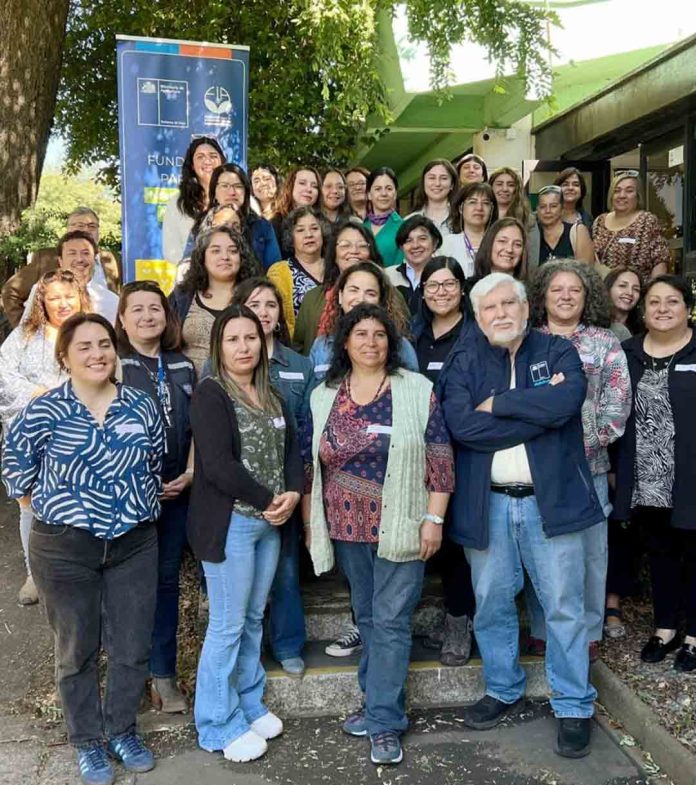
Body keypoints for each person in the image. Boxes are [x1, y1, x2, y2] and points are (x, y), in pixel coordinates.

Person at [438, 272, 603, 758]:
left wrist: (502, 405)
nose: (501, 314)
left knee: (564, 608)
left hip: (549, 503)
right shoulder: (465, 358)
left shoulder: (556, 352)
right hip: (487, 503)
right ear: (478, 316)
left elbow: (566, 401)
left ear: (527, 307)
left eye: (509, 303)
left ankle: (573, 705)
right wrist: (536, 419)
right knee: (490, 603)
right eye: (490, 308)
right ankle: (502, 687)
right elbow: (462, 425)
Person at [2, 313, 165, 784]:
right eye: (84, 347)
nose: (97, 354)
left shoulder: (141, 404)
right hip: (64, 548)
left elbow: (153, 460)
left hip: (134, 542)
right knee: (76, 649)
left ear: (115, 351)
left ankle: (122, 730)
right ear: (65, 358)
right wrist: (57, 506)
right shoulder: (45, 409)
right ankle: (87, 741)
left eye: (104, 345)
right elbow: (16, 467)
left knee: (132, 645)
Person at [303, 303, 454, 765]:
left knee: (389, 621)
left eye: (380, 335)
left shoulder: (416, 389)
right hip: (347, 527)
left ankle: (385, 720)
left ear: (392, 343)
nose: (371, 342)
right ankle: (375, 703)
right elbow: (311, 464)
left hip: (405, 522)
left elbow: (441, 457)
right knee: (367, 618)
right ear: (344, 342)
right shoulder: (324, 394)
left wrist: (434, 518)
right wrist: (312, 526)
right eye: (361, 334)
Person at [187, 305, 302, 762]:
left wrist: (292, 492)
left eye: (250, 338)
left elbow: (292, 448)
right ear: (219, 344)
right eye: (232, 339)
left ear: (262, 341)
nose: (243, 347)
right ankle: (217, 722)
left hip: (269, 523)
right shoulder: (211, 393)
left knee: (254, 618)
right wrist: (267, 498)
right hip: (230, 523)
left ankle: (249, 702)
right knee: (228, 625)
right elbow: (215, 464)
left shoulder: (271, 393)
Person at [525, 260, 631, 662]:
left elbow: (617, 407)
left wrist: (580, 447)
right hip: (536, 466)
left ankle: (587, 629)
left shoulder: (605, 343)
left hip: (589, 468)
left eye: (574, 290)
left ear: (587, 297)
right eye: (557, 290)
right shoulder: (527, 341)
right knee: (540, 550)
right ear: (542, 297)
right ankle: (541, 627)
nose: (566, 297)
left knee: (589, 553)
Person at [116, 281, 196, 714]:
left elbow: (199, 428)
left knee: (165, 584)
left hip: (177, 493)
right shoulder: (112, 366)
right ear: (123, 318)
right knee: (129, 589)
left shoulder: (182, 367)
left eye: (155, 309)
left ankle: (164, 676)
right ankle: (128, 678)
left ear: (167, 317)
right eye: (138, 309)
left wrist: (189, 472)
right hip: (129, 499)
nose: (148, 316)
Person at [232, 278, 316, 676]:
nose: (263, 311)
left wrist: (297, 489)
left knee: (285, 570)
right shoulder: (224, 362)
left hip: (287, 487)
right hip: (237, 491)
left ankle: (287, 644)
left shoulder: (299, 365)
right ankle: (246, 656)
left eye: (271, 304)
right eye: (255, 303)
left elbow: (306, 429)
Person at [611, 276, 696, 671]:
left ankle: (693, 635)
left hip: (691, 475)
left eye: (673, 301)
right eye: (655, 302)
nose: (663, 308)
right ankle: (665, 628)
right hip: (645, 477)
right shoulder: (627, 352)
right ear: (643, 310)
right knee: (661, 553)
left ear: (687, 307)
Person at [0, 270, 89, 606]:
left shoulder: (89, 331)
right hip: (31, 431)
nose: (63, 303)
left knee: (71, 503)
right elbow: (4, 377)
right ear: (42, 300)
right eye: (54, 297)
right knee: (31, 504)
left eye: (69, 296)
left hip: (76, 434)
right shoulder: (24, 336)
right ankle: (33, 573)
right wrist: (42, 394)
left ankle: (73, 569)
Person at [412, 257, 475, 665]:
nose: (441, 292)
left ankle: (459, 622)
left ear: (462, 289)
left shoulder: (475, 336)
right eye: (433, 285)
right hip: (417, 452)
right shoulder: (413, 337)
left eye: (449, 284)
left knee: (455, 541)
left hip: (462, 452)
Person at [2, 207, 119, 327]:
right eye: (80, 225)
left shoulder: (111, 260)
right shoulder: (45, 258)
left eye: (92, 226)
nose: (86, 230)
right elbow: (10, 292)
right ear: (68, 230)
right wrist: (28, 327)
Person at [169, 226, 260, 378]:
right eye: (216, 251)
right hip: (189, 392)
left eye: (232, 251)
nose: (225, 257)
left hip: (243, 391)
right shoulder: (183, 297)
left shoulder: (256, 297)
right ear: (202, 257)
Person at [309, 262, 418, 383]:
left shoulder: (400, 346)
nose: (361, 299)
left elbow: (412, 393)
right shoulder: (321, 346)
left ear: (381, 302)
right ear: (340, 296)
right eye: (353, 290)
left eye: (370, 293)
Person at [294, 219, 380, 355]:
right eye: (345, 245)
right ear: (334, 254)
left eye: (362, 246)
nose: (354, 251)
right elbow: (299, 348)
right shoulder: (312, 298)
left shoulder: (391, 295)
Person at [22, 231, 118, 324]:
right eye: (72, 253)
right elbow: (26, 330)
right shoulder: (42, 290)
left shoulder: (111, 301)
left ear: (94, 260)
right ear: (60, 261)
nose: (80, 259)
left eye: (86, 253)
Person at [196, 163, 281, 269]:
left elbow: (275, 271)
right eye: (225, 186)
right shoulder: (201, 224)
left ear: (246, 192)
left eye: (238, 186)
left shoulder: (262, 227)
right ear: (214, 192)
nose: (232, 192)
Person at [592, 171, 671, 282]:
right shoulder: (599, 221)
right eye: (617, 191)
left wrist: (653, 292)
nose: (622, 195)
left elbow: (660, 260)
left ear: (637, 196)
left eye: (629, 191)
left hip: (636, 292)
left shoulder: (647, 221)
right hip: (604, 293)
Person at [267, 207, 330, 336]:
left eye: (314, 228)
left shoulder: (336, 266)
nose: (309, 235)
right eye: (300, 230)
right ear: (291, 237)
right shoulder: (279, 272)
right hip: (297, 350)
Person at [162, 137, 225, 264]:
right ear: (192, 165)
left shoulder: (240, 198)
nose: (207, 161)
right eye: (200, 157)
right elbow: (171, 252)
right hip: (192, 277)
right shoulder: (177, 203)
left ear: (222, 161)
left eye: (213, 156)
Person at [386, 215, 443, 315]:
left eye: (422, 238)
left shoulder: (445, 276)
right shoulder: (387, 276)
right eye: (408, 240)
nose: (415, 245)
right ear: (401, 247)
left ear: (435, 243)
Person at [441, 182, 495, 277]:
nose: (479, 208)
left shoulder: (498, 242)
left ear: (492, 209)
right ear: (460, 208)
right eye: (472, 202)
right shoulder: (446, 244)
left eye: (486, 203)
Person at [489, 167, 539, 265]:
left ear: (516, 190)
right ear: (490, 187)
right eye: (499, 184)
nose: (505, 189)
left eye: (510, 185)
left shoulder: (528, 219)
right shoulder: (483, 215)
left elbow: (532, 258)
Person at [269, 166, 322, 255]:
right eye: (302, 183)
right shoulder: (275, 225)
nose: (309, 189)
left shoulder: (323, 223)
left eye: (314, 186)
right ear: (291, 186)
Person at [536, 185, 594, 266]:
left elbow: (586, 272)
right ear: (537, 210)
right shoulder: (532, 234)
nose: (547, 211)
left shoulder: (578, 232)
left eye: (553, 206)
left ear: (562, 209)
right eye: (543, 207)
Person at [364, 167, 403, 268]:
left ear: (395, 194)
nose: (384, 193)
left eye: (389, 189)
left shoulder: (404, 228)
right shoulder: (360, 226)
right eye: (378, 189)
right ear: (369, 195)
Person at [471, 217, 529, 284]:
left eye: (517, 244)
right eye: (502, 241)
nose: (509, 249)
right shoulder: (468, 289)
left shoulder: (531, 292)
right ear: (489, 243)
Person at [408, 159, 459, 235]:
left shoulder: (464, 218)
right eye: (432, 178)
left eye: (444, 178)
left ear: (452, 184)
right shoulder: (409, 221)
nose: (437, 183)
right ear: (423, 182)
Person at [605, 267, 643, 341]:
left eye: (636, 289)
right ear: (608, 289)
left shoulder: (642, 331)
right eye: (622, 286)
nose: (630, 293)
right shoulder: (594, 326)